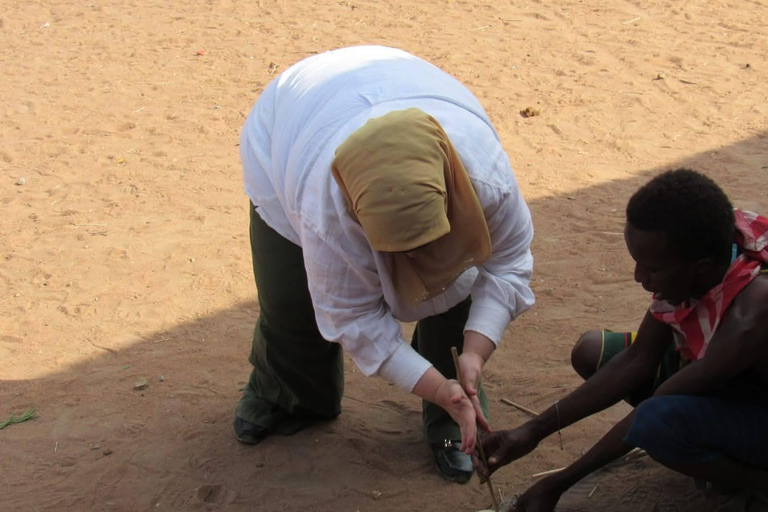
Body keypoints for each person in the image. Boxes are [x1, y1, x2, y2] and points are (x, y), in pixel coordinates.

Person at [234, 45, 535, 483]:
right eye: (399, 251)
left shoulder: (486, 180)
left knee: (459, 288)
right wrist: (435, 387)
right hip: (294, 122)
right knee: (290, 300)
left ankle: (454, 415)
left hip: (400, 83)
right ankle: (287, 393)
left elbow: (507, 265)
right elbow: (353, 317)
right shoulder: (326, 214)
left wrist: (474, 351)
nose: (417, 267)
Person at [476, 169, 768, 509]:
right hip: (717, 376)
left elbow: (657, 404)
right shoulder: (709, 246)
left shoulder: (754, 311)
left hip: (754, 400)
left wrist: (560, 482)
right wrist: (531, 431)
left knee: (658, 423)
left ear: (700, 267)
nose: (637, 276)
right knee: (592, 352)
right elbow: (639, 359)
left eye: (650, 268)